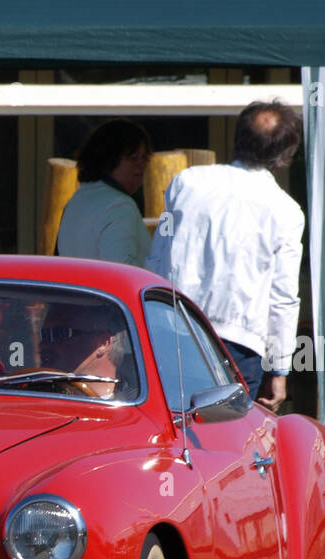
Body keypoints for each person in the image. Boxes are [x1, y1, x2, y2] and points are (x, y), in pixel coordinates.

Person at [145, 100, 304, 412]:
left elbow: (157, 256)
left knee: (167, 436)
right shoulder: (286, 211)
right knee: (226, 448)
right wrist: (280, 370)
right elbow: (283, 297)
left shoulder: (186, 182)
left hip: (173, 329)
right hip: (238, 342)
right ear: (284, 156)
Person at [56, 119, 152, 266]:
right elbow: (122, 273)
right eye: (133, 158)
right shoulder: (119, 206)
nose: (141, 165)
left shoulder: (76, 201)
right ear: (108, 159)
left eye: (145, 157)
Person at [36, 302, 133, 399]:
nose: (44, 345)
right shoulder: (31, 397)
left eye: (60, 333)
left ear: (103, 343)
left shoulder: (133, 406)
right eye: (44, 335)